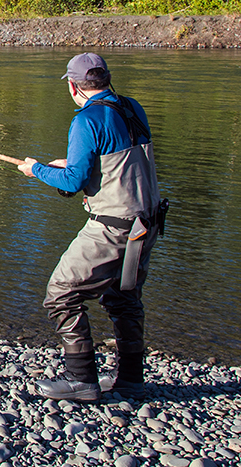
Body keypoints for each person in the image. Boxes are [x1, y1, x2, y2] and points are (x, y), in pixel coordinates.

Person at [18, 52, 166, 402]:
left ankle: (81, 379)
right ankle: (131, 379)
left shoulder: (86, 120)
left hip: (113, 227)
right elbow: (117, 160)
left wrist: (36, 169)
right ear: (106, 79)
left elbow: (72, 183)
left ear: (73, 85)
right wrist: (71, 164)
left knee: (61, 293)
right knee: (123, 297)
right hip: (147, 225)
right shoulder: (131, 108)